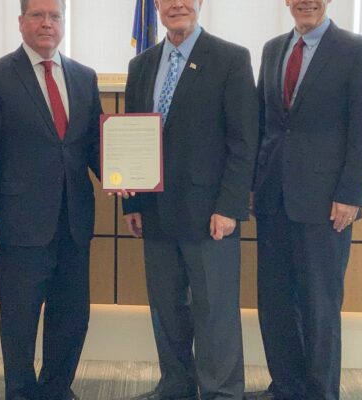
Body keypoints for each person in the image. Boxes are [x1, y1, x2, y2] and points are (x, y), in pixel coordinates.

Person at [0, 0, 101, 398]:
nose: (46, 24)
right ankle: (20, 392)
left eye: (54, 16)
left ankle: (57, 389)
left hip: (73, 220)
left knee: (72, 316)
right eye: (37, 16)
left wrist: (124, 173)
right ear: (21, 23)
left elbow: (94, 145)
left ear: (63, 23)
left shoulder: (83, 77)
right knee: (19, 321)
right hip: (19, 223)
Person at [121, 0, 258, 398]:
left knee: (216, 312)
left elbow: (244, 141)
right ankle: (176, 385)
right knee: (167, 309)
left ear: (199, 4)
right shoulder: (141, 65)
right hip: (155, 210)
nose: (177, 4)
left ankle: (221, 392)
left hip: (211, 214)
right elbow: (130, 138)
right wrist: (132, 204)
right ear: (157, 6)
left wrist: (229, 207)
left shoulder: (230, 58)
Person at [248, 1, 362, 399]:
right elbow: (264, 124)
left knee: (319, 308)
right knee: (275, 304)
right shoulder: (273, 49)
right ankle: (285, 387)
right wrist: (253, 185)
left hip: (326, 205)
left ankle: (321, 392)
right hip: (273, 200)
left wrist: (350, 194)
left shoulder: (356, 50)